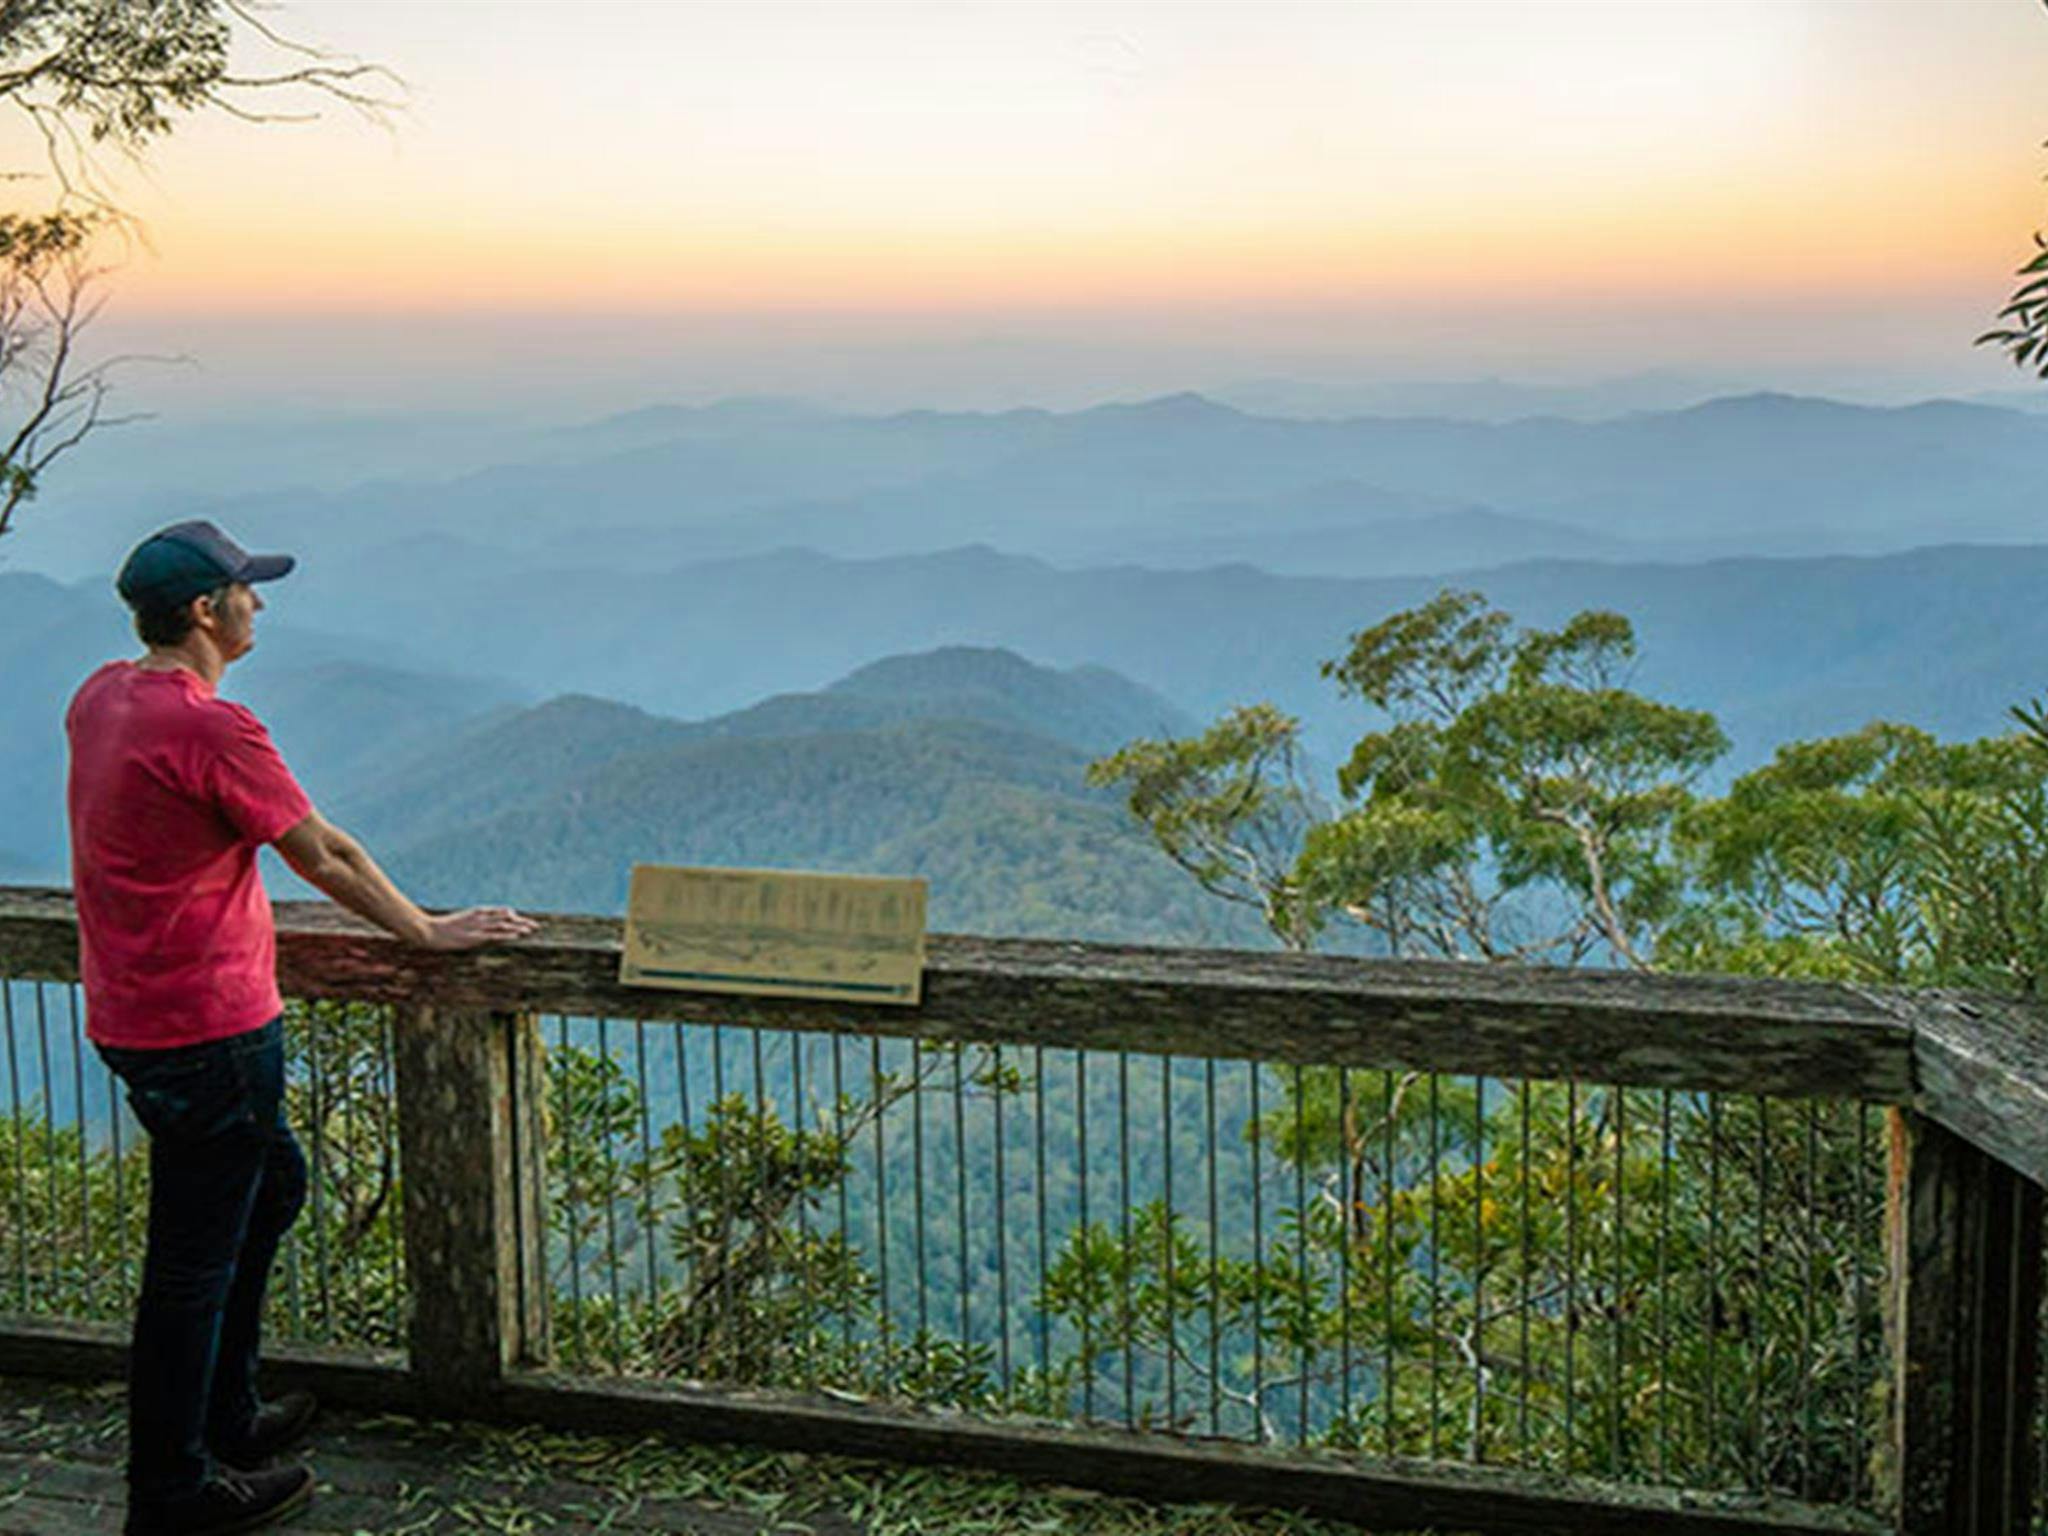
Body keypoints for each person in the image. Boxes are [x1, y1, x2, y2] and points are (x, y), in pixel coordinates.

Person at [67, 519, 537, 1536]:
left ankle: (227, 1416)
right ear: (204, 611)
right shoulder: (210, 730)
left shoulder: (102, 699)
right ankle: (174, 1492)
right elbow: (320, 852)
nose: (258, 605)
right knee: (188, 1267)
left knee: (270, 1185)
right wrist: (425, 930)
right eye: (245, 590)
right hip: (211, 1028)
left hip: (131, 1015)